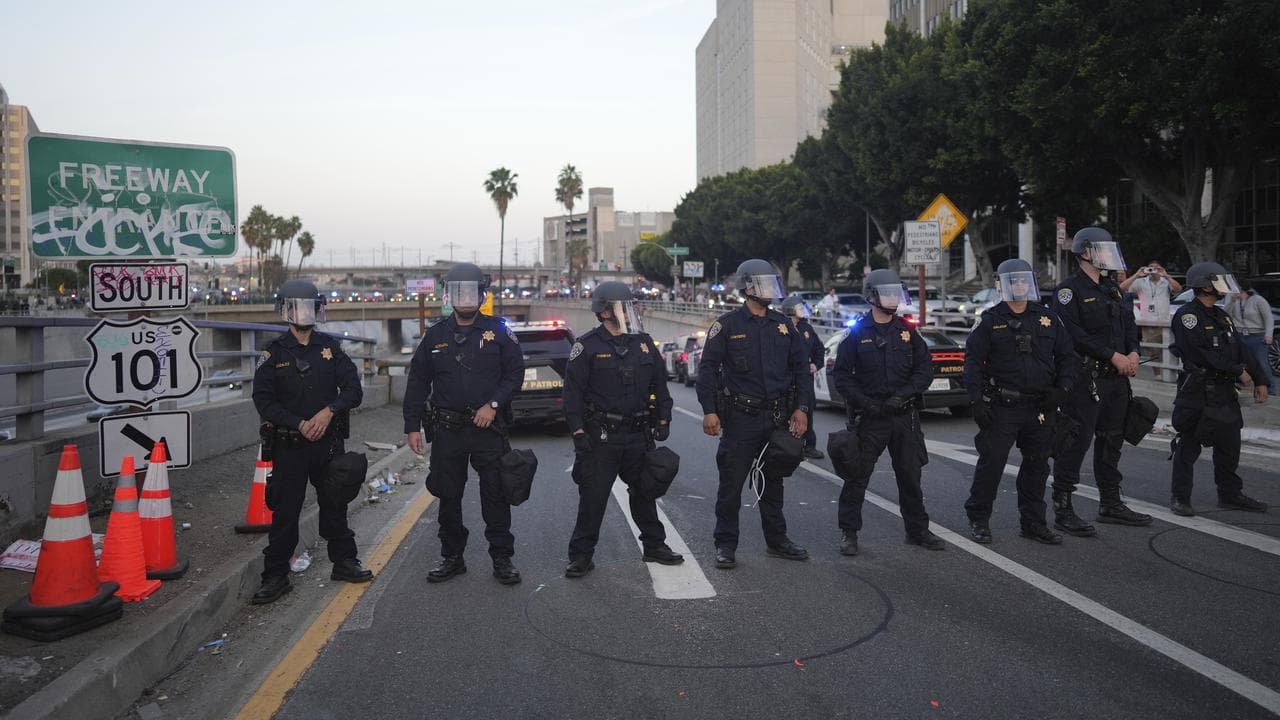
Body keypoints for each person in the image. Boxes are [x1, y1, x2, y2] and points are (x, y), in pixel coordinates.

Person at [403, 263, 525, 585]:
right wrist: (411, 425)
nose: (467, 298)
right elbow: (417, 381)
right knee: (448, 495)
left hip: (488, 430)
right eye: (460, 292)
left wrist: (493, 405)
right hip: (448, 431)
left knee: (495, 495)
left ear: (482, 294)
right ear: (450, 295)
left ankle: (502, 559)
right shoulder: (436, 336)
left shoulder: (499, 331)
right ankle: (452, 557)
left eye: (473, 292)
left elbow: (515, 375)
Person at [251, 280, 370, 604]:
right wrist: (299, 423)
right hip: (290, 444)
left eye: (308, 307)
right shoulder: (273, 354)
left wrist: (329, 412)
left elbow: (353, 390)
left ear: (318, 309)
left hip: (327, 443)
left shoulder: (330, 349)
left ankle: (344, 562)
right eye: (295, 307)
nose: (302, 313)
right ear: (285, 311)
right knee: (286, 513)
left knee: (335, 503)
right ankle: (275, 576)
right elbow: (264, 401)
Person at [697, 259, 814, 569]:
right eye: (764, 284)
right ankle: (725, 544)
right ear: (747, 288)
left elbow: (802, 369)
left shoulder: (784, 325)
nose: (770, 290)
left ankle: (777, 541)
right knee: (731, 486)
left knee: (772, 484)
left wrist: (802, 409)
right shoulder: (728, 325)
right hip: (740, 419)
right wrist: (709, 411)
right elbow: (707, 370)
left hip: (776, 418)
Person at [562, 282, 682, 577]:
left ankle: (654, 546)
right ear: (604, 311)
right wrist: (578, 431)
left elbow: (660, 384)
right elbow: (572, 394)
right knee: (593, 498)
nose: (629, 310)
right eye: (621, 306)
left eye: (630, 305)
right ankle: (581, 556)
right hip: (601, 437)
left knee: (645, 492)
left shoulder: (642, 342)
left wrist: (663, 418)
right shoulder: (587, 346)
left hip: (638, 435)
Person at [963, 260, 1078, 545]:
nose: (1020, 286)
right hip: (1003, 406)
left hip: (1040, 407)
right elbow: (973, 363)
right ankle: (979, 519)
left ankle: (1033, 523)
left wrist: (1062, 389)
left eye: (1024, 281)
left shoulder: (1048, 318)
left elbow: (1067, 357)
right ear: (1001, 285)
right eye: (1014, 281)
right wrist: (977, 400)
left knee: (1037, 467)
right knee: (992, 465)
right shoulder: (989, 320)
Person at [831, 269, 945, 554]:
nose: (894, 298)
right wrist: (864, 402)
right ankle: (849, 533)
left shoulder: (908, 331)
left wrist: (902, 396)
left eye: (897, 292)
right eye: (888, 292)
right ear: (871, 296)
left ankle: (917, 531)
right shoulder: (856, 333)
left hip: (903, 415)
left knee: (910, 475)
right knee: (857, 477)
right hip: (871, 417)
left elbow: (924, 371)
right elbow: (842, 375)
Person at [1050, 227, 1152, 535]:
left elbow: (1129, 327)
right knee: (1076, 442)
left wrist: (1133, 353)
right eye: (1101, 250)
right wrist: (1112, 355)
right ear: (1084, 254)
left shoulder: (1114, 289)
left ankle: (1110, 503)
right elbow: (1073, 334)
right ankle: (1063, 508)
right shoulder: (1069, 291)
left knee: (1112, 441)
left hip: (1117, 380)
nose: (1108, 256)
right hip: (1087, 379)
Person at [1169, 262, 1270, 516]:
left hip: (1224, 393)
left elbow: (1241, 349)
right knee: (1188, 447)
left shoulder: (1221, 314)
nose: (1223, 286)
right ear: (1205, 286)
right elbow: (1200, 354)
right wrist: (1237, 371)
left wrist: (1260, 379)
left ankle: (1230, 494)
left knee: (1229, 447)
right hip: (1199, 393)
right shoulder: (1187, 316)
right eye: (1218, 281)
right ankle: (1180, 497)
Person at [782, 296, 826, 459]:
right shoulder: (780, 328)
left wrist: (816, 364)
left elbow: (819, 349)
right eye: (799, 308)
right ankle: (788, 445)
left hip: (805, 378)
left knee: (806, 409)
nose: (802, 311)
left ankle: (808, 445)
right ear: (790, 310)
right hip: (786, 378)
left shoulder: (806, 328)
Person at [1123, 260, 1183, 365]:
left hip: (1164, 321)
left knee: (1167, 349)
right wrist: (1137, 275)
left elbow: (1178, 289)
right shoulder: (1141, 282)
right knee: (1152, 351)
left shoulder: (1166, 282)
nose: (1153, 270)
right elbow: (1123, 288)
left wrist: (1166, 275)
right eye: (1151, 267)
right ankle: (1157, 374)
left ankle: (1167, 373)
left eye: (1157, 268)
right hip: (1147, 322)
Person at [1225, 281, 1276, 396]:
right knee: (1238, 363)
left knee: (1262, 364)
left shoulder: (1258, 300)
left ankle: (1271, 390)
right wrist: (1232, 301)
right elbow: (1225, 314)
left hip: (1257, 335)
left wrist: (1269, 334)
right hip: (1240, 334)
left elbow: (1268, 318)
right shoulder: (1235, 301)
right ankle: (1236, 388)